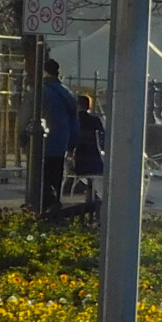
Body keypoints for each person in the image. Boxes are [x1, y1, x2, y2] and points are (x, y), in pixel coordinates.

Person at [38, 57, 79, 210]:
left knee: (41, 177)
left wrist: (23, 138)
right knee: (55, 175)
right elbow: (74, 122)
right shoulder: (67, 93)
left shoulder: (40, 92)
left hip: (41, 141)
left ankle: (42, 206)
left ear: (44, 72)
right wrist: (72, 144)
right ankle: (54, 205)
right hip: (60, 142)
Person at [72, 88, 108, 205]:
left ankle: (90, 194)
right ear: (89, 106)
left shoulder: (75, 120)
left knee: (84, 173)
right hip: (94, 161)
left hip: (80, 161)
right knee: (97, 173)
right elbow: (103, 136)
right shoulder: (95, 120)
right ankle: (93, 195)